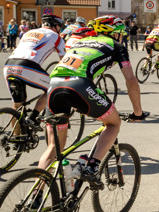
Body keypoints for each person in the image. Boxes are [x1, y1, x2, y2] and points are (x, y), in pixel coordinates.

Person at [41, 16, 146, 186]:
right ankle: (91, 167)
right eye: (121, 34)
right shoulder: (116, 46)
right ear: (115, 34)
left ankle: (35, 198)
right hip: (78, 84)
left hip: (53, 86)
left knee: (53, 148)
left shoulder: (81, 42)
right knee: (113, 124)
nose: (122, 37)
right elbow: (131, 81)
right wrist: (138, 113)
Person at [2, 14, 66, 128]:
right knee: (53, 88)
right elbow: (64, 61)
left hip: (9, 65)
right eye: (59, 27)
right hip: (27, 66)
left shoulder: (28, 32)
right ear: (56, 26)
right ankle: (33, 117)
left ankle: (17, 140)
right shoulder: (56, 37)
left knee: (17, 106)